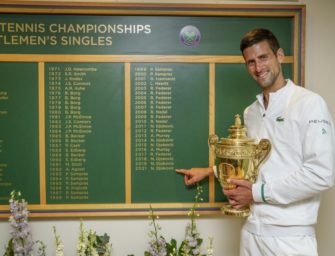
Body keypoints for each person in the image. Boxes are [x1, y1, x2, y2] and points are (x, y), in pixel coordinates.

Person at [176, 28, 335, 256]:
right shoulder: (250, 112)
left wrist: (257, 193)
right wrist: (211, 171)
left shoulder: (309, 104)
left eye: (263, 57)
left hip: (290, 238)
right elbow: (256, 163)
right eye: (250, 62)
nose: (258, 68)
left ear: (279, 55)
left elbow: (321, 173)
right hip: (250, 232)